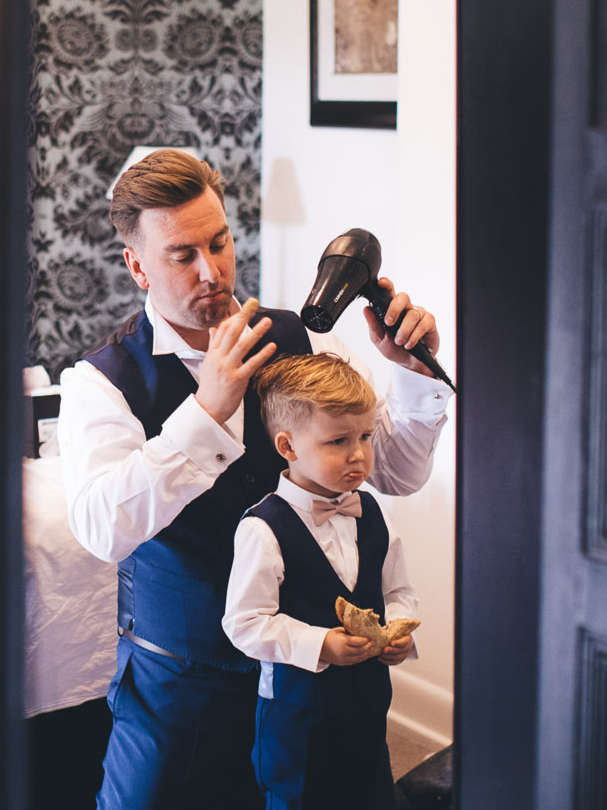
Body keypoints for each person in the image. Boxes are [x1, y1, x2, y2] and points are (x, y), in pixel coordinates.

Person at [57, 149, 450, 810]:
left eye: (219, 242)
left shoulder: (303, 342)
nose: (211, 271)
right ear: (137, 267)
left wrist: (411, 371)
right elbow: (102, 528)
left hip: (314, 678)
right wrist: (207, 412)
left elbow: (398, 472)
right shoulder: (101, 383)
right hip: (183, 689)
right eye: (182, 254)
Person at [224, 353, 419, 809]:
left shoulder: (374, 514)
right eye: (337, 441)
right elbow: (244, 623)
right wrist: (320, 645)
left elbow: (398, 591)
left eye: (366, 436)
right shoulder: (262, 528)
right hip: (297, 716)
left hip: (369, 707)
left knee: (370, 794)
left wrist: (400, 628)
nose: (358, 454)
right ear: (288, 447)